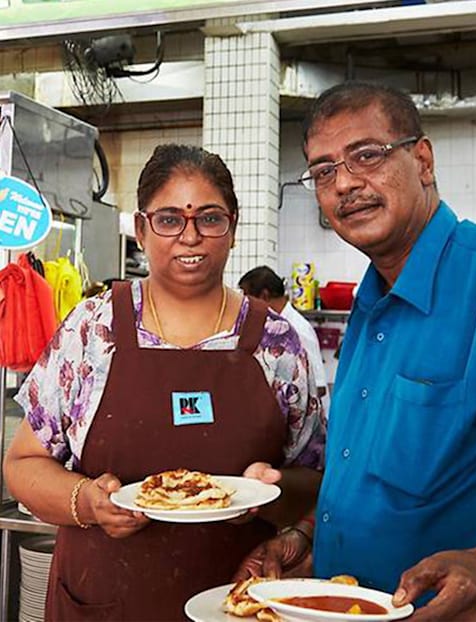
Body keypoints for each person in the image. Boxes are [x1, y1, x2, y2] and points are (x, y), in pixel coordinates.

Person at [240, 82, 476, 620]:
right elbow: (365, 477)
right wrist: (306, 538)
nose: (345, 183)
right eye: (323, 171)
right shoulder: (369, 309)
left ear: (422, 159)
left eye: (366, 155)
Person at [3, 144, 325, 621]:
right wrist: (87, 502)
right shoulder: (92, 330)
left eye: (209, 219)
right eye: (170, 219)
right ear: (141, 229)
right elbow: (24, 463)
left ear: (232, 229)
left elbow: (318, 480)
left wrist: (275, 490)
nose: (189, 237)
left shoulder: (278, 344)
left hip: (236, 600)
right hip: (104, 600)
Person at [238, 265, 329, 398]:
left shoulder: (298, 328)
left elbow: (319, 386)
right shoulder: (272, 325)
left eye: (248, 299)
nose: (246, 306)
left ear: (264, 296)